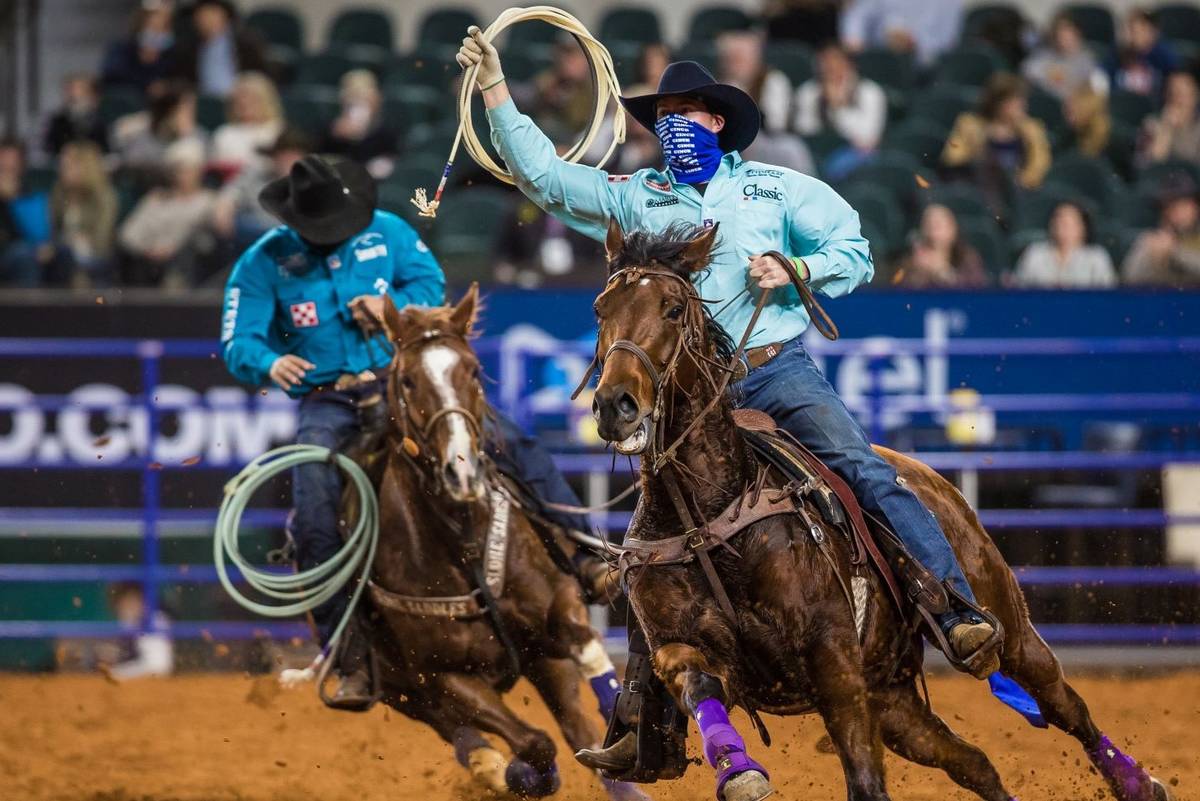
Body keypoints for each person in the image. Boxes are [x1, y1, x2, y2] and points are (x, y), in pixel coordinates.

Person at [458, 28, 1003, 781]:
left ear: (718, 120)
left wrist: (797, 265)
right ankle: (642, 723)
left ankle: (953, 607)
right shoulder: (637, 196)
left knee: (859, 466)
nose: (675, 123)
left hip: (774, 370)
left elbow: (856, 248)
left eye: (689, 110)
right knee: (649, 546)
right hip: (687, 405)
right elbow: (545, 177)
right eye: (666, 113)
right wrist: (493, 86)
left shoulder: (776, 189)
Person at [220, 153, 615, 707]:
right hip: (326, 401)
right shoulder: (264, 263)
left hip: (401, 386)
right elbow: (239, 340)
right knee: (313, 511)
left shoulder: (389, 233)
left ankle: (585, 554)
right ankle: (347, 653)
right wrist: (268, 364)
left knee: (509, 441)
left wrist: (392, 312)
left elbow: (430, 287)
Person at [942, 73, 1052, 209]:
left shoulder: (1032, 129)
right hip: (980, 189)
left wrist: (1020, 182)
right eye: (1014, 101)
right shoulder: (969, 124)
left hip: (1018, 192)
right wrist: (975, 147)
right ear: (998, 103)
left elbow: (1040, 165)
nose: (1021, 106)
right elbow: (951, 157)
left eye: (1021, 100)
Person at [117, 138, 216, 288]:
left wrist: (172, 249)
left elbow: (201, 237)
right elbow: (128, 234)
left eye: (187, 170)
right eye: (177, 170)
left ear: (198, 172)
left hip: (182, 263)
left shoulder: (207, 201)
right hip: (145, 260)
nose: (181, 176)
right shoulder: (155, 199)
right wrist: (147, 250)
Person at [794, 41, 887, 179]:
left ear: (850, 65)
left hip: (855, 154)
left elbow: (868, 139)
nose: (832, 68)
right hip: (817, 153)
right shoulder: (809, 92)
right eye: (826, 62)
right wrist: (823, 103)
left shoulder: (870, 92)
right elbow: (804, 130)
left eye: (837, 61)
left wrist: (838, 107)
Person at [213, 126, 311, 254]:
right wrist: (224, 207)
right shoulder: (256, 175)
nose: (287, 160)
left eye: (294, 155)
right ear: (274, 156)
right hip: (248, 240)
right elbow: (231, 192)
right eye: (283, 154)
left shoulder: (312, 185)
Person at [112, 79, 209, 186]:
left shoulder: (198, 138)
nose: (189, 117)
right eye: (183, 110)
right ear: (167, 113)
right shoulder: (143, 139)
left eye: (192, 110)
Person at [49, 141, 118, 288]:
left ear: (85, 167)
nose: (63, 170)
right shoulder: (58, 193)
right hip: (62, 251)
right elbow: (52, 228)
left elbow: (102, 238)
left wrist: (78, 242)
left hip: (94, 254)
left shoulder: (104, 196)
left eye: (68, 166)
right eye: (62, 166)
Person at [172, 0, 269, 99]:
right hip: (204, 102)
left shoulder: (246, 42)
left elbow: (261, 76)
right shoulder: (188, 48)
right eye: (201, 14)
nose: (206, 19)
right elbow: (184, 80)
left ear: (225, 15)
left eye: (212, 13)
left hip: (241, 100)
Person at [1013, 201, 1116, 288]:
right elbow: (1019, 289)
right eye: (1059, 221)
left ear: (1083, 227)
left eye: (1069, 223)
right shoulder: (1035, 253)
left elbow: (1108, 295)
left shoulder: (1096, 257)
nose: (1062, 227)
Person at [1123, 175, 1200, 287]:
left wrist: (1175, 254)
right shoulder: (1153, 240)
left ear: (1195, 207)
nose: (1177, 213)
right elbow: (1129, 278)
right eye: (1169, 207)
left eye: (1182, 206)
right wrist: (1152, 258)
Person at [318, 70, 400, 175]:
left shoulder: (387, 131)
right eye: (352, 95)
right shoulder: (331, 130)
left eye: (364, 96)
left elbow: (392, 159)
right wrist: (337, 137)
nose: (358, 103)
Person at [892, 204, 989, 288]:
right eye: (928, 225)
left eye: (938, 226)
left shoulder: (967, 258)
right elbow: (900, 294)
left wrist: (944, 273)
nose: (932, 232)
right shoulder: (911, 260)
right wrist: (919, 273)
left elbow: (977, 292)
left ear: (952, 229)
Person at [840, 0, 963, 67]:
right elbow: (858, 13)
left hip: (922, 68)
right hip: (875, 57)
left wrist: (914, 43)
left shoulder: (951, 3)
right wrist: (854, 36)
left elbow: (948, 44)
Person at [0, 137, 53, 287]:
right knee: (23, 253)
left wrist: (13, 200)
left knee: (61, 252)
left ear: (21, 166)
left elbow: (39, 235)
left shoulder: (30, 195)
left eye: (12, 162)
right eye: (2, 161)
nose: (7, 166)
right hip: (8, 252)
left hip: (27, 252)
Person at [716, 30, 792, 135]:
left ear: (755, 58)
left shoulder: (773, 80)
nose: (734, 65)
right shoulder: (721, 85)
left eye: (740, 58)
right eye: (729, 59)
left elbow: (776, 124)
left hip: (768, 139)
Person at [1022, 12, 1108, 102]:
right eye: (1058, 31)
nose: (1061, 36)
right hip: (1050, 104)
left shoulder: (1088, 59)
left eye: (1066, 30)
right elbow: (1029, 72)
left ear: (1077, 33)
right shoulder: (1044, 56)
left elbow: (1096, 86)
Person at [210, 71, 284, 175]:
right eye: (240, 98)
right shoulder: (224, 134)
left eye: (252, 98)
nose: (244, 103)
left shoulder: (279, 131)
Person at [101, 0, 178, 96]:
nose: (158, 33)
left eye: (164, 27)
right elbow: (111, 80)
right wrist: (147, 85)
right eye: (153, 27)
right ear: (140, 25)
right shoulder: (120, 50)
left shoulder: (173, 55)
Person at [1106, 8, 1177, 101]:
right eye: (1132, 30)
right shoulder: (1118, 53)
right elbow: (1104, 77)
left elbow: (1174, 83)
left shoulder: (1164, 55)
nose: (1136, 34)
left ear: (1154, 32)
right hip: (1122, 107)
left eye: (1142, 29)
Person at [1140, 71, 1200, 166]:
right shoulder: (1152, 122)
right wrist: (1167, 127)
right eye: (1171, 94)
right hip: (1161, 177)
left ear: (1194, 97)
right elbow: (1154, 160)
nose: (1175, 99)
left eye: (1181, 95)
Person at [43, 74, 109, 157]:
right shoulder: (57, 121)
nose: (72, 96)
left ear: (94, 96)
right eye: (69, 91)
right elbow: (48, 150)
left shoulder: (105, 121)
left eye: (80, 91)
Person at [1064, 86, 1111, 158]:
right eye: (1068, 112)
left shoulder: (1112, 139)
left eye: (1072, 112)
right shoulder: (1068, 134)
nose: (1068, 116)